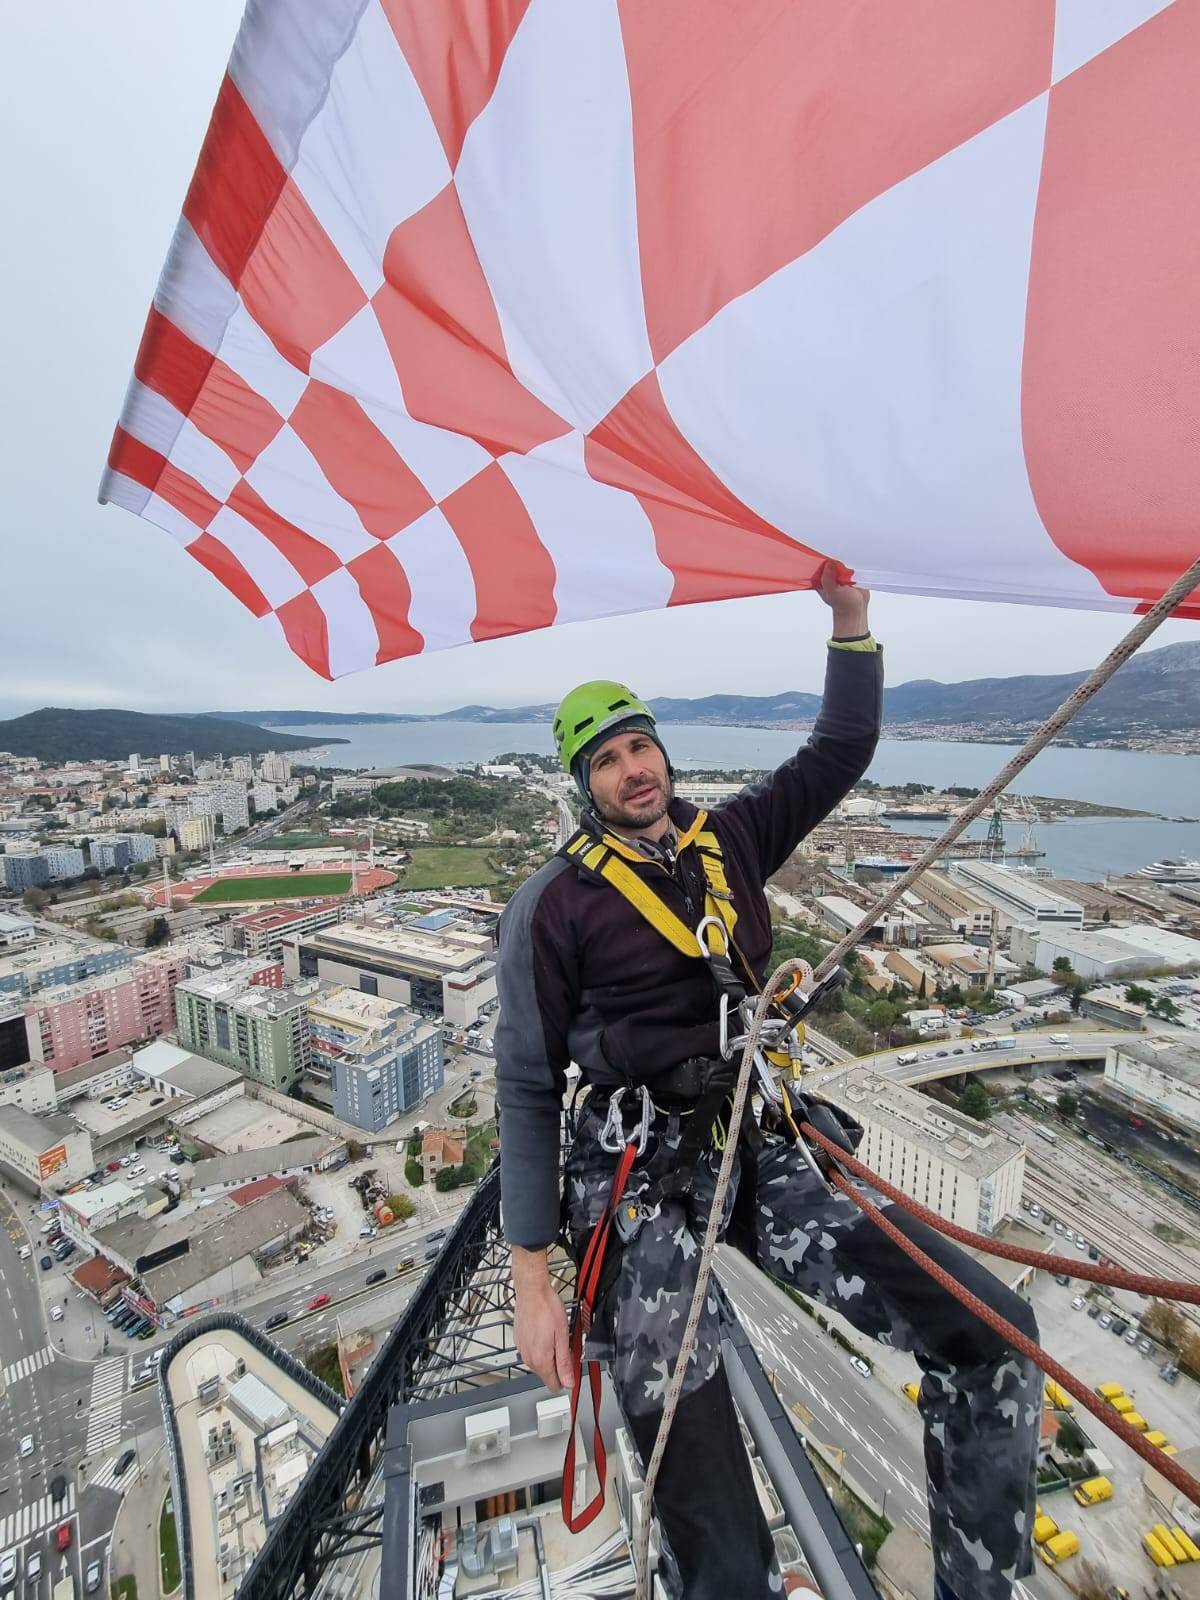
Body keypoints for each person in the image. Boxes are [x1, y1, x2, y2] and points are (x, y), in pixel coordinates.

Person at [495, 566, 1039, 1600]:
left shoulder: (729, 842)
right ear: (585, 785)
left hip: (755, 1141)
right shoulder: (551, 906)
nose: (630, 769)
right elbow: (525, 1085)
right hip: (638, 1182)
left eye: (638, 744)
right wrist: (533, 1281)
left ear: (663, 750)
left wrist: (850, 621)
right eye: (604, 760)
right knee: (726, 1558)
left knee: (993, 1333)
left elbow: (839, 750)